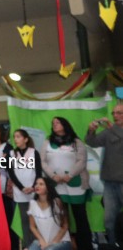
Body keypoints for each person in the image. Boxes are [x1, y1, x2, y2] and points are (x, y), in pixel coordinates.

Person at [41, 116, 90, 250]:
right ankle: (64, 246)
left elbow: (82, 160)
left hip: (75, 184)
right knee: (61, 219)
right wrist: (53, 175)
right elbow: (43, 161)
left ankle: (85, 246)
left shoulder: (76, 142)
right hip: (57, 185)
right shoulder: (47, 142)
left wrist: (70, 175)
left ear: (65, 124)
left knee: (80, 217)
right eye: (53, 123)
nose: (54, 124)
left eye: (57, 122)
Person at [85, 102, 123, 247]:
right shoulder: (109, 132)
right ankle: (114, 245)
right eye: (113, 113)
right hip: (109, 182)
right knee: (109, 220)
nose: (115, 116)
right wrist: (91, 131)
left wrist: (111, 127)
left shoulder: (111, 129)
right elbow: (91, 142)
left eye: (119, 113)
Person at [9, 128, 42, 248]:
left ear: (26, 139)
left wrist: (33, 187)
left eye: (18, 136)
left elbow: (38, 172)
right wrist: (22, 188)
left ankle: (36, 244)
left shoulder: (34, 152)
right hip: (20, 191)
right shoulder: (12, 154)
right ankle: (27, 245)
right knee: (24, 219)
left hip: (34, 191)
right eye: (14, 137)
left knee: (35, 219)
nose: (15, 139)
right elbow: (11, 173)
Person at [0, 122, 19, 250]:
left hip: (4, 190)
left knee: (8, 221)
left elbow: (13, 168)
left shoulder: (7, 147)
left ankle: (12, 246)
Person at [27, 177, 72, 250]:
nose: (37, 186)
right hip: (43, 241)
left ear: (48, 187)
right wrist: (41, 240)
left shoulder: (57, 202)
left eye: (41, 184)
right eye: (36, 184)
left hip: (61, 241)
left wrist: (54, 242)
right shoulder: (32, 204)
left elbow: (65, 225)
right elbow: (32, 226)